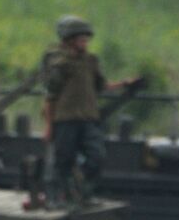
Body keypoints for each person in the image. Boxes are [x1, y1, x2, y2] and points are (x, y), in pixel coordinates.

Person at [43, 16, 137, 208]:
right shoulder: (60, 64)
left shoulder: (91, 61)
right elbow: (50, 96)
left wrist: (125, 84)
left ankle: (82, 192)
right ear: (69, 40)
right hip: (66, 119)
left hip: (88, 119)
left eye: (86, 39)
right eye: (81, 39)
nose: (85, 42)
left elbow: (101, 86)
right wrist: (49, 126)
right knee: (63, 161)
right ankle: (56, 198)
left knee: (97, 156)